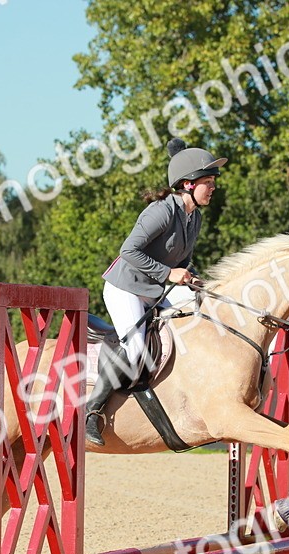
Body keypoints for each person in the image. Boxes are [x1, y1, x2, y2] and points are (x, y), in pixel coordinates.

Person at [85, 138, 226, 446]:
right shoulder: (160, 212)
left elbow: (182, 262)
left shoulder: (194, 217)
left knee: (201, 310)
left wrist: (196, 281)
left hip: (154, 288)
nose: (213, 187)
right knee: (135, 349)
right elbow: (128, 251)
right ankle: (91, 411)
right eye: (208, 182)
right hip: (125, 287)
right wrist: (168, 274)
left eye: (213, 182)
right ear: (188, 184)